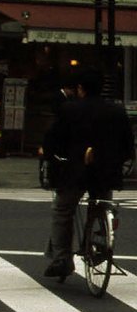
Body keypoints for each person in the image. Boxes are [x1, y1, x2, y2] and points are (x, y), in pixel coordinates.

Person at [43, 68, 134, 278]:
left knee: (63, 209)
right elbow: (128, 144)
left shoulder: (69, 110)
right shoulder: (116, 111)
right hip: (106, 172)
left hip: (75, 171)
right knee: (101, 205)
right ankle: (97, 243)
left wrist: (54, 158)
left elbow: (53, 140)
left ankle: (62, 258)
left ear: (80, 89)